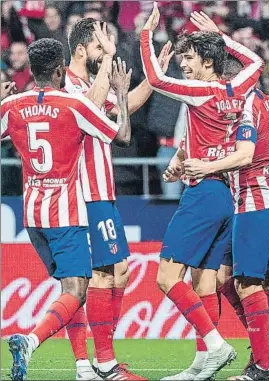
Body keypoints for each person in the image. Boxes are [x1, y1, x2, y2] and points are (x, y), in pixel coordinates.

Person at [140, 5, 264, 380]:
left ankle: (215, 345)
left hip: (204, 192)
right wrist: (223, 38)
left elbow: (156, 80)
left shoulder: (201, 90)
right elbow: (255, 61)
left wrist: (147, 36)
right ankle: (201, 365)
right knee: (203, 281)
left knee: (166, 278)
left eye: (190, 58)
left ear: (208, 62)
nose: (185, 66)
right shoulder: (238, 88)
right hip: (227, 193)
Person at [1, 38, 130, 381]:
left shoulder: (12, 104)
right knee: (77, 290)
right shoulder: (74, 103)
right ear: (60, 70)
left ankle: (83, 368)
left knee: (69, 292)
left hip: (32, 216)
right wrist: (121, 92)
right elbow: (122, 136)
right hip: (65, 215)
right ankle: (29, 341)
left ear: (30, 70)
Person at [184, 56, 269, 381]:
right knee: (227, 278)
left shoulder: (260, 105)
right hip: (238, 203)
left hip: (257, 201)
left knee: (263, 282)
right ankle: (265, 346)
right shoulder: (221, 111)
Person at [63, 18, 173, 381]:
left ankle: (103, 361)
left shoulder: (91, 83)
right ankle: (101, 365)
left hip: (102, 193)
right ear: (81, 49)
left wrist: (155, 78)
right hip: (83, 193)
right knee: (99, 275)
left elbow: (123, 107)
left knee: (118, 272)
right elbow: (90, 114)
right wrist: (110, 63)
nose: (105, 52)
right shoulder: (68, 84)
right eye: (99, 47)